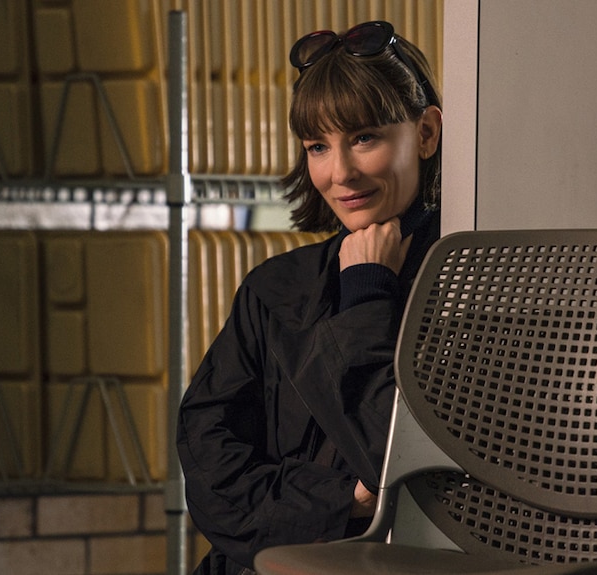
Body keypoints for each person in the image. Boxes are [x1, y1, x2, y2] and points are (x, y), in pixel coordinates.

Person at [176, 20, 443, 575]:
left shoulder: (472, 287)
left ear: (425, 134)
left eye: (364, 137)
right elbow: (209, 478)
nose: (338, 172)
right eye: (318, 146)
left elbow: (398, 462)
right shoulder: (275, 288)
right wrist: (344, 499)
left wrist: (368, 294)